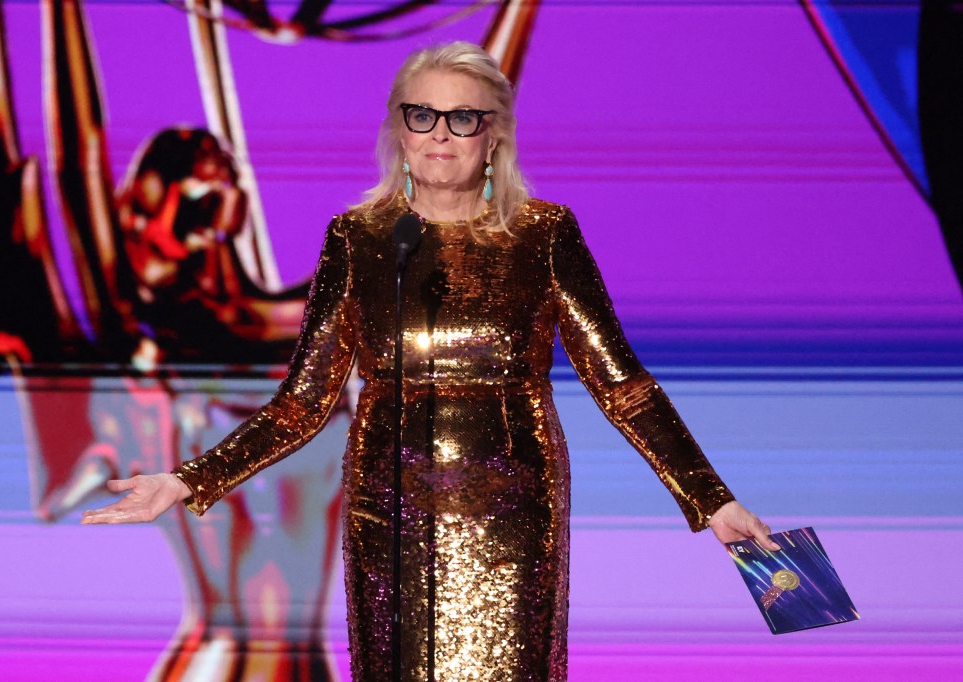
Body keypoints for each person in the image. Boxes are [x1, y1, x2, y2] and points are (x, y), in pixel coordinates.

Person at [83, 41, 779, 681]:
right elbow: (301, 402)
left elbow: (620, 384)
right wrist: (187, 480)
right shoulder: (358, 238)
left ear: (494, 135)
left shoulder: (544, 235)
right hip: (390, 519)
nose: (440, 135)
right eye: (423, 116)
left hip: (511, 515)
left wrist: (709, 498)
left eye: (463, 118)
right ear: (398, 130)